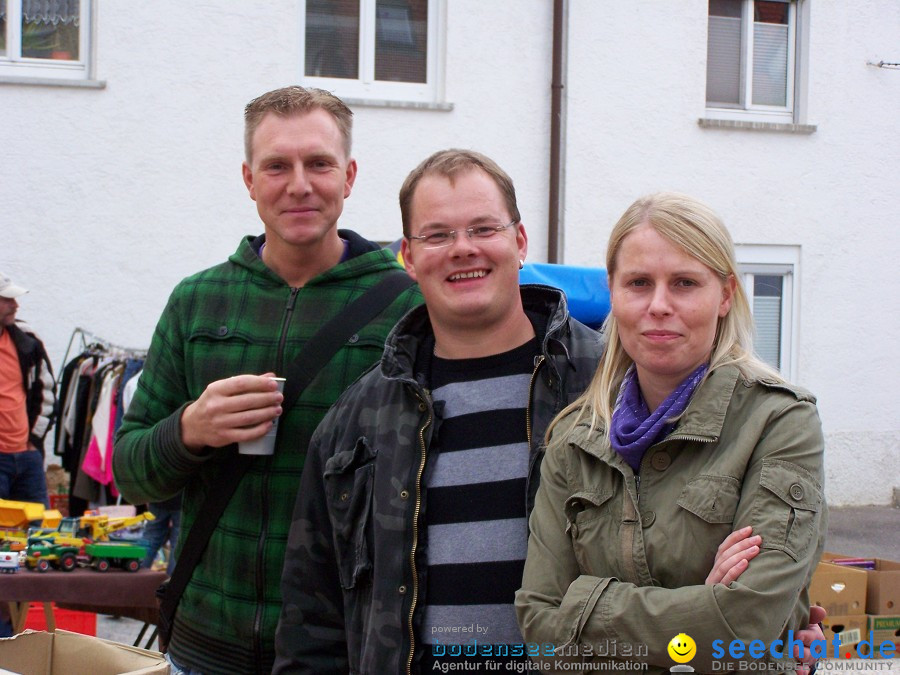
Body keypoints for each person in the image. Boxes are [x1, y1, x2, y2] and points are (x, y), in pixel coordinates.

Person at [273, 153, 774, 674]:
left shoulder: (615, 387)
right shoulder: (357, 422)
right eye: (437, 235)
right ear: (408, 256)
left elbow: (722, 546)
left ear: (520, 241)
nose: (463, 248)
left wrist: (773, 634)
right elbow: (313, 621)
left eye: (483, 228)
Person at [112, 86, 422, 674]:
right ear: (250, 179)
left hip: (342, 650)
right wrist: (188, 430)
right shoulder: (197, 301)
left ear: (349, 176)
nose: (299, 184)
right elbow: (130, 471)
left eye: (319, 164)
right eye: (277, 165)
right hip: (206, 646)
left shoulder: (405, 308)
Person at [516, 192, 827, 674]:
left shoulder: (778, 422)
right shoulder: (574, 437)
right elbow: (539, 630)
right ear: (614, 294)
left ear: (725, 295)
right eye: (638, 283)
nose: (659, 305)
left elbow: (746, 625)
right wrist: (701, 605)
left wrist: (582, 606)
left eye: (684, 283)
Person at [0, 271, 54, 507]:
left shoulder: (26, 339)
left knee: (36, 534)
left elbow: (47, 393)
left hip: (27, 455)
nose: (16, 305)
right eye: (7, 300)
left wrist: (34, 439)